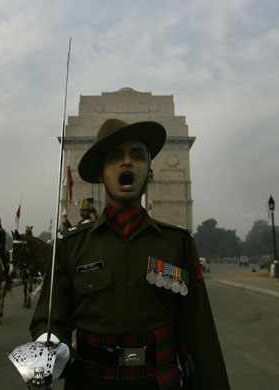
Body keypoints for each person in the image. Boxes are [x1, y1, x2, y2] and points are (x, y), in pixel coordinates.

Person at [29, 119, 230, 389]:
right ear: (101, 173)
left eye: (137, 156)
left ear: (149, 172)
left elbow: (199, 333)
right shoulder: (69, 245)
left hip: (159, 381)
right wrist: (51, 344)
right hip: (91, 381)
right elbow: (49, 319)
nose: (126, 162)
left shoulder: (178, 244)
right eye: (115, 157)